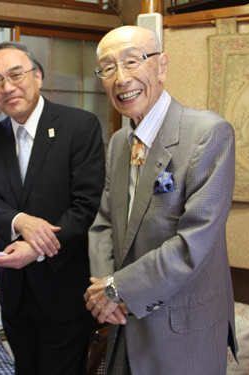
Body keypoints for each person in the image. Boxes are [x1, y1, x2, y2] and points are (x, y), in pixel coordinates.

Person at [84, 26, 237, 375]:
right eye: (108, 68)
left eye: (132, 61)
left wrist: (115, 289)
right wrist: (104, 290)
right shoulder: (120, 142)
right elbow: (105, 222)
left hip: (181, 332)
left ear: (162, 66)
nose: (121, 78)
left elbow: (193, 243)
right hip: (123, 322)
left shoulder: (208, 134)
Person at [0, 41, 105, 375]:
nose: (7, 87)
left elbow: (87, 204)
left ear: (38, 76)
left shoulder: (79, 126)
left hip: (63, 286)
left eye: (16, 74)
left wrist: (37, 247)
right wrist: (21, 221)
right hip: (14, 289)